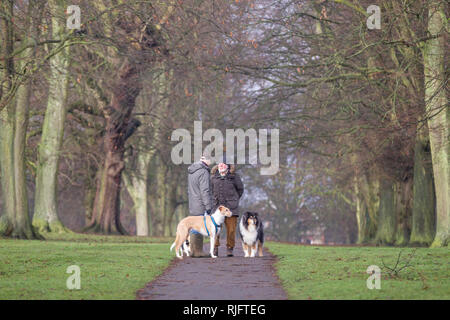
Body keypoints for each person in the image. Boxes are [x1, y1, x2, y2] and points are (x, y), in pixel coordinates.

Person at [211, 162, 244, 257]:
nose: (221, 166)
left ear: (228, 167)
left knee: (231, 230)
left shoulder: (234, 177)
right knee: (215, 229)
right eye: (220, 164)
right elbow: (210, 190)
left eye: (224, 165)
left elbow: (240, 189)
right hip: (216, 208)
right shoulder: (213, 177)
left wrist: (235, 199)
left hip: (231, 207)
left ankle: (230, 248)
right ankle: (215, 248)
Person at [187, 155, 213, 257]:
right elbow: (205, 191)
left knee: (194, 226)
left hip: (193, 202)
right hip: (200, 203)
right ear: (207, 160)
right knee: (199, 227)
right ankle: (198, 251)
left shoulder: (192, 170)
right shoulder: (203, 172)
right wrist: (208, 206)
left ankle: (193, 251)